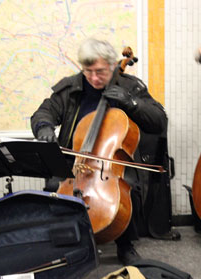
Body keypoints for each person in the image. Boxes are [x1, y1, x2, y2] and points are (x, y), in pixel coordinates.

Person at [31, 38, 167, 265]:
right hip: (75, 160)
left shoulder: (130, 86)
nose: (94, 78)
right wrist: (44, 128)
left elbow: (159, 121)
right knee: (55, 187)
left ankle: (126, 246)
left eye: (100, 72)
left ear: (114, 65)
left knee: (125, 189)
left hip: (113, 163)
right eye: (88, 71)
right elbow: (44, 112)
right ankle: (69, 244)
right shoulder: (71, 87)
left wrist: (131, 103)